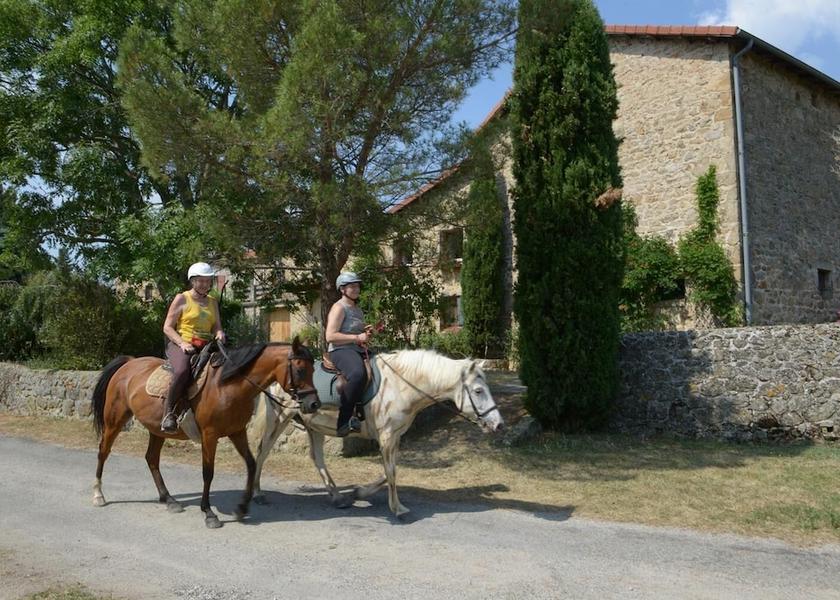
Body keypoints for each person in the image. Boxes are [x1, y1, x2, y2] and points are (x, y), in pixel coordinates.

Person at [160, 262, 226, 432]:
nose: (205, 284)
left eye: (208, 281)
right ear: (193, 281)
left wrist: (219, 333)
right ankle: (169, 413)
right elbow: (167, 327)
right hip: (182, 345)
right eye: (201, 281)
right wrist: (182, 343)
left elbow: (217, 325)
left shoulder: (212, 301)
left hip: (206, 346)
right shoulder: (182, 298)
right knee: (182, 370)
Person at [325, 271, 373, 437]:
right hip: (340, 350)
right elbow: (330, 336)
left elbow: (356, 334)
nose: (356, 288)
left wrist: (365, 333)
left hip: (356, 349)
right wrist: (356, 337)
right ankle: (343, 422)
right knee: (357, 374)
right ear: (342, 289)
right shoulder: (339, 308)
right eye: (352, 286)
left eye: (357, 285)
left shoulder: (357, 309)